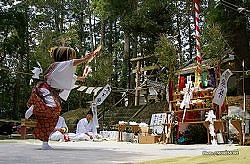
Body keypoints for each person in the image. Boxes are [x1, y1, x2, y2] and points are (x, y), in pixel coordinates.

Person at [25, 47, 98, 150]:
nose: (73, 58)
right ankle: (35, 107)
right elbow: (72, 63)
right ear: (66, 56)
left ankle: (45, 143)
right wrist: (85, 59)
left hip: (52, 93)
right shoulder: (58, 65)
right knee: (53, 108)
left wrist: (83, 76)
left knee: (53, 117)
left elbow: (75, 77)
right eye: (72, 56)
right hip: (46, 90)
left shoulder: (63, 69)